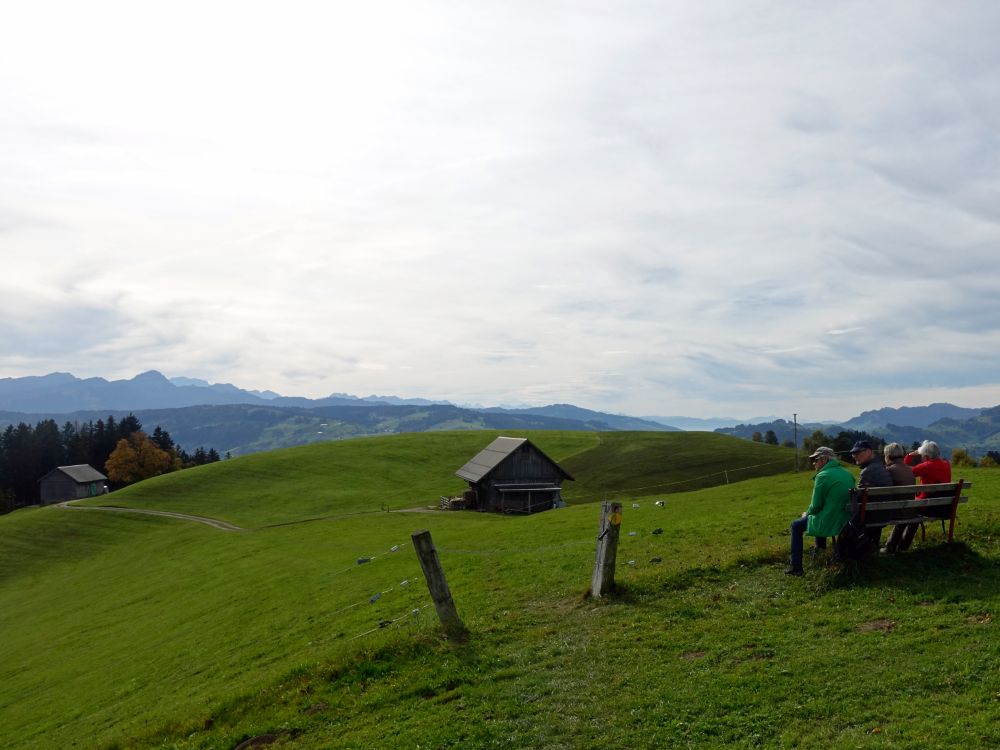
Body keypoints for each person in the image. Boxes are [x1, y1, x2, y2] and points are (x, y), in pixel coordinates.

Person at [786, 446, 854, 576]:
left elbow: (816, 506)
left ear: (824, 459)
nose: (814, 463)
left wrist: (806, 513)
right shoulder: (847, 473)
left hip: (831, 521)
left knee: (796, 525)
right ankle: (819, 553)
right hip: (846, 520)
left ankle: (796, 567)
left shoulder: (822, 476)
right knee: (819, 515)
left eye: (815, 460)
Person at [849, 439, 893, 549]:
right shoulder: (881, 466)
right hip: (885, 513)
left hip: (872, 516)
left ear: (869, 452)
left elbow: (858, 497)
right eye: (853, 453)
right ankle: (872, 546)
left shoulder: (868, 471)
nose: (854, 456)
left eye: (857, 453)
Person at [881, 442, 917, 554]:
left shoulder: (888, 471)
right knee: (903, 511)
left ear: (888, 456)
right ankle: (899, 547)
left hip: (895, 511)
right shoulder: (910, 470)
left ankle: (887, 547)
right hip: (910, 510)